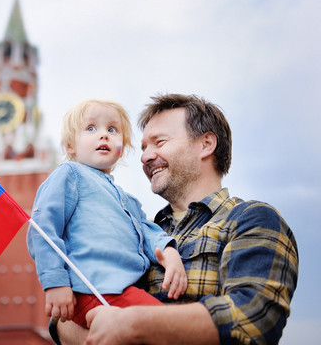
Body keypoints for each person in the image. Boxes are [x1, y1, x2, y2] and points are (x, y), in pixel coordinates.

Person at [54, 94, 299, 345]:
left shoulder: (252, 219)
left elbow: (253, 317)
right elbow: (63, 319)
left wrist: (132, 324)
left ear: (206, 144)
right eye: (143, 148)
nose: (145, 156)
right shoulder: (136, 228)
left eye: (159, 142)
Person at [27, 99, 187, 328]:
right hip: (94, 289)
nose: (104, 135)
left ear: (123, 148)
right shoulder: (69, 174)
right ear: (71, 146)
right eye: (91, 128)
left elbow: (147, 230)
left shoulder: (127, 200)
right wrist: (55, 283)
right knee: (170, 328)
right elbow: (43, 229)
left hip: (122, 290)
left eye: (112, 130)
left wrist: (169, 253)